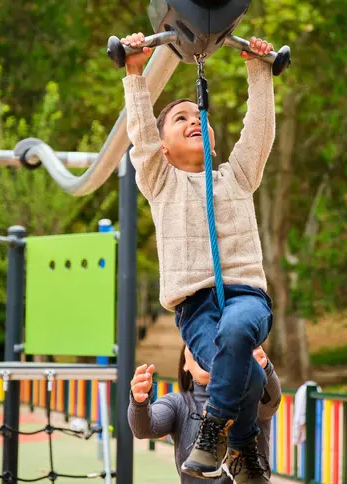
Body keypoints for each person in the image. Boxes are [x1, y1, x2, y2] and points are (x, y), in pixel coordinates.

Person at [122, 32, 276, 483]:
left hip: (246, 296)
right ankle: (244, 445)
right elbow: (140, 138)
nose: (195, 119)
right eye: (180, 118)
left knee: (237, 330)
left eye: (200, 116)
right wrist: (134, 73)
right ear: (163, 146)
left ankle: (214, 432)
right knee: (244, 371)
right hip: (195, 309)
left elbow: (260, 130)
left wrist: (259, 70)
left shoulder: (238, 174)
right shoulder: (160, 182)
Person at [128, 345, 281, 484]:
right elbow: (144, 429)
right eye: (194, 344)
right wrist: (139, 403)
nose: (204, 351)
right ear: (185, 364)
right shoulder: (178, 403)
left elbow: (271, 402)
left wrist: (266, 369)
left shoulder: (250, 396)